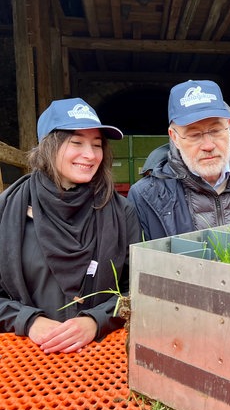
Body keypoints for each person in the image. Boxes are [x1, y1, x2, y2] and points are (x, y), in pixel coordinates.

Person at [0, 98, 142, 353]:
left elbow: (140, 287)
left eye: (97, 145)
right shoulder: (9, 210)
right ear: (48, 146)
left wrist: (97, 320)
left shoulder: (122, 212)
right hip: (26, 355)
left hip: (101, 354)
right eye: (76, 142)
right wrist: (27, 320)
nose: (89, 155)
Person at [128, 80, 230, 239]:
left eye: (215, 130)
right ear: (175, 137)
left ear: (228, 126)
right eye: (194, 135)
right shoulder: (146, 196)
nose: (208, 145)